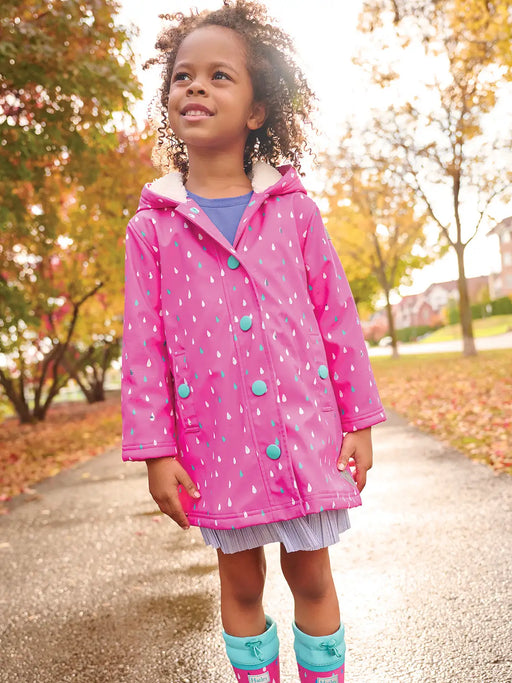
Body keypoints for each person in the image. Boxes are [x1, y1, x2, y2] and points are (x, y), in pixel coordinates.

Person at [121, 2, 386, 681]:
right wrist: (156, 451)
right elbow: (143, 346)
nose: (196, 88)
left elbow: (338, 318)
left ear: (258, 111)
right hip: (217, 444)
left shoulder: (293, 209)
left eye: (219, 76)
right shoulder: (153, 227)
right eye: (183, 77)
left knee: (312, 574)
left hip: (304, 435)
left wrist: (358, 420)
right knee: (240, 584)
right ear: (167, 99)